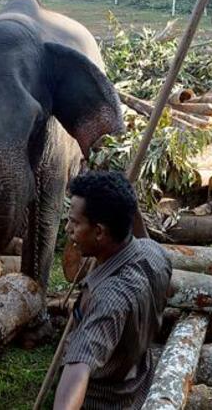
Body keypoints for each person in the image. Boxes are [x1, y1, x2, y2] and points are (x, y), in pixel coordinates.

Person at [53, 171, 172, 410]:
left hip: (103, 401)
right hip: (136, 381)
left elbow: (78, 369)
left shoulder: (108, 299)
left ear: (99, 232)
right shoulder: (156, 253)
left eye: (75, 222)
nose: (68, 229)